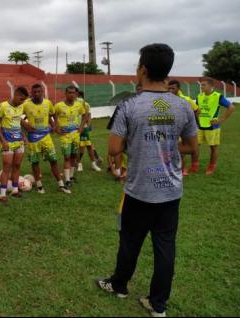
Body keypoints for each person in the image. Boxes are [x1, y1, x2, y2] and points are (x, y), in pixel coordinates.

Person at [96, 44, 198, 318]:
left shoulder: (129, 106)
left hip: (139, 190)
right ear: (167, 70)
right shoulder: (183, 106)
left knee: (130, 241)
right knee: (165, 247)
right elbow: (191, 147)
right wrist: (167, 145)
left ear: (142, 69)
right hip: (171, 191)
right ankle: (158, 304)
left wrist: (139, 142)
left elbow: (114, 150)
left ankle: (119, 286)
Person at [21, 84, 70, 194]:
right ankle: (39, 185)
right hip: (33, 139)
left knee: (53, 160)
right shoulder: (26, 104)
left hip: (46, 137)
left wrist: (54, 126)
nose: (37, 94)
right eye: (35, 92)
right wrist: (24, 123)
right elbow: (17, 115)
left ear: (42, 92)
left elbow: (53, 115)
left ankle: (61, 185)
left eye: (39, 91)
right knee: (35, 162)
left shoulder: (48, 103)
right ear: (31, 93)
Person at [193, 77, 235, 175]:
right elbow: (197, 111)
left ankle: (211, 167)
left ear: (211, 86)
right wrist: (196, 114)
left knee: (213, 148)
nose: (201, 86)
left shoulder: (218, 96)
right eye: (201, 85)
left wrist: (221, 119)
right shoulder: (199, 96)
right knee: (195, 147)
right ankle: (194, 166)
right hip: (199, 126)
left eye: (204, 85)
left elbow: (231, 107)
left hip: (212, 127)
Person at [0, 86, 29, 203]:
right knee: (7, 167)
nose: (22, 102)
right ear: (15, 95)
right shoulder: (3, 106)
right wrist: (2, 140)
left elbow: (18, 122)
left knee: (17, 166)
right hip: (7, 142)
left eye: (24, 100)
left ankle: (15, 190)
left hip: (19, 141)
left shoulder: (21, 106)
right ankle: (2, 194)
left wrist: (23, 137)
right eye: (21, 99)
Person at [54, 86, 87, 187]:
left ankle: (71, 177)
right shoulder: (59, 105)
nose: (71, 95)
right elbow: (53, 115)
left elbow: (85, 115)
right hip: (65, 135)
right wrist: (57, 127)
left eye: (73, 93)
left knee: (73, 156)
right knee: (67, 157)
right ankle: (67, 180)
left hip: (75, 134)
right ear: (65, 93)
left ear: (76, 94)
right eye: (69, 93)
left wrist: (81, 127)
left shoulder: (79, 105)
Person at [167, 80, 200, 176]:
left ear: (178, 89)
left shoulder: (186, 99)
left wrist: (191, 122)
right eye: (169, 88)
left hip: (183, 129)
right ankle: (176, 169)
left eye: (173, 88)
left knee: (182, 151)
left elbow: (197, 110)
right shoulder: (166, 100)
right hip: (171, 128)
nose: (170, 90)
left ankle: (183, 169)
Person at [76, 90, 102, 172]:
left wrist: (88, 126)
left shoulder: (86, 104)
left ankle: (93, 163)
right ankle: (78, 163)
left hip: (84, 128)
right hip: (75, 128)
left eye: (78, 95)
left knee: (88, 146)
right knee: (79, 146)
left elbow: (89, 115)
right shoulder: (73, 104)